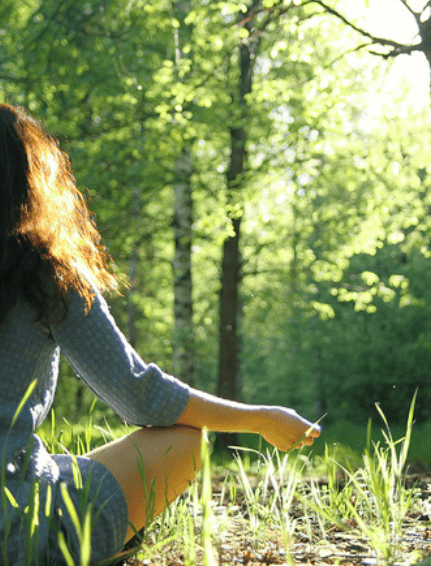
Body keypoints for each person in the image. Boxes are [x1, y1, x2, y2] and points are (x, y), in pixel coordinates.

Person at [0, 103, 321, 564]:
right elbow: (141, 395)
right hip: (17, 530)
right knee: (183, 441)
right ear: (32, 179)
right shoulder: (45, 275)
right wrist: (262, 419)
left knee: (68, 466)